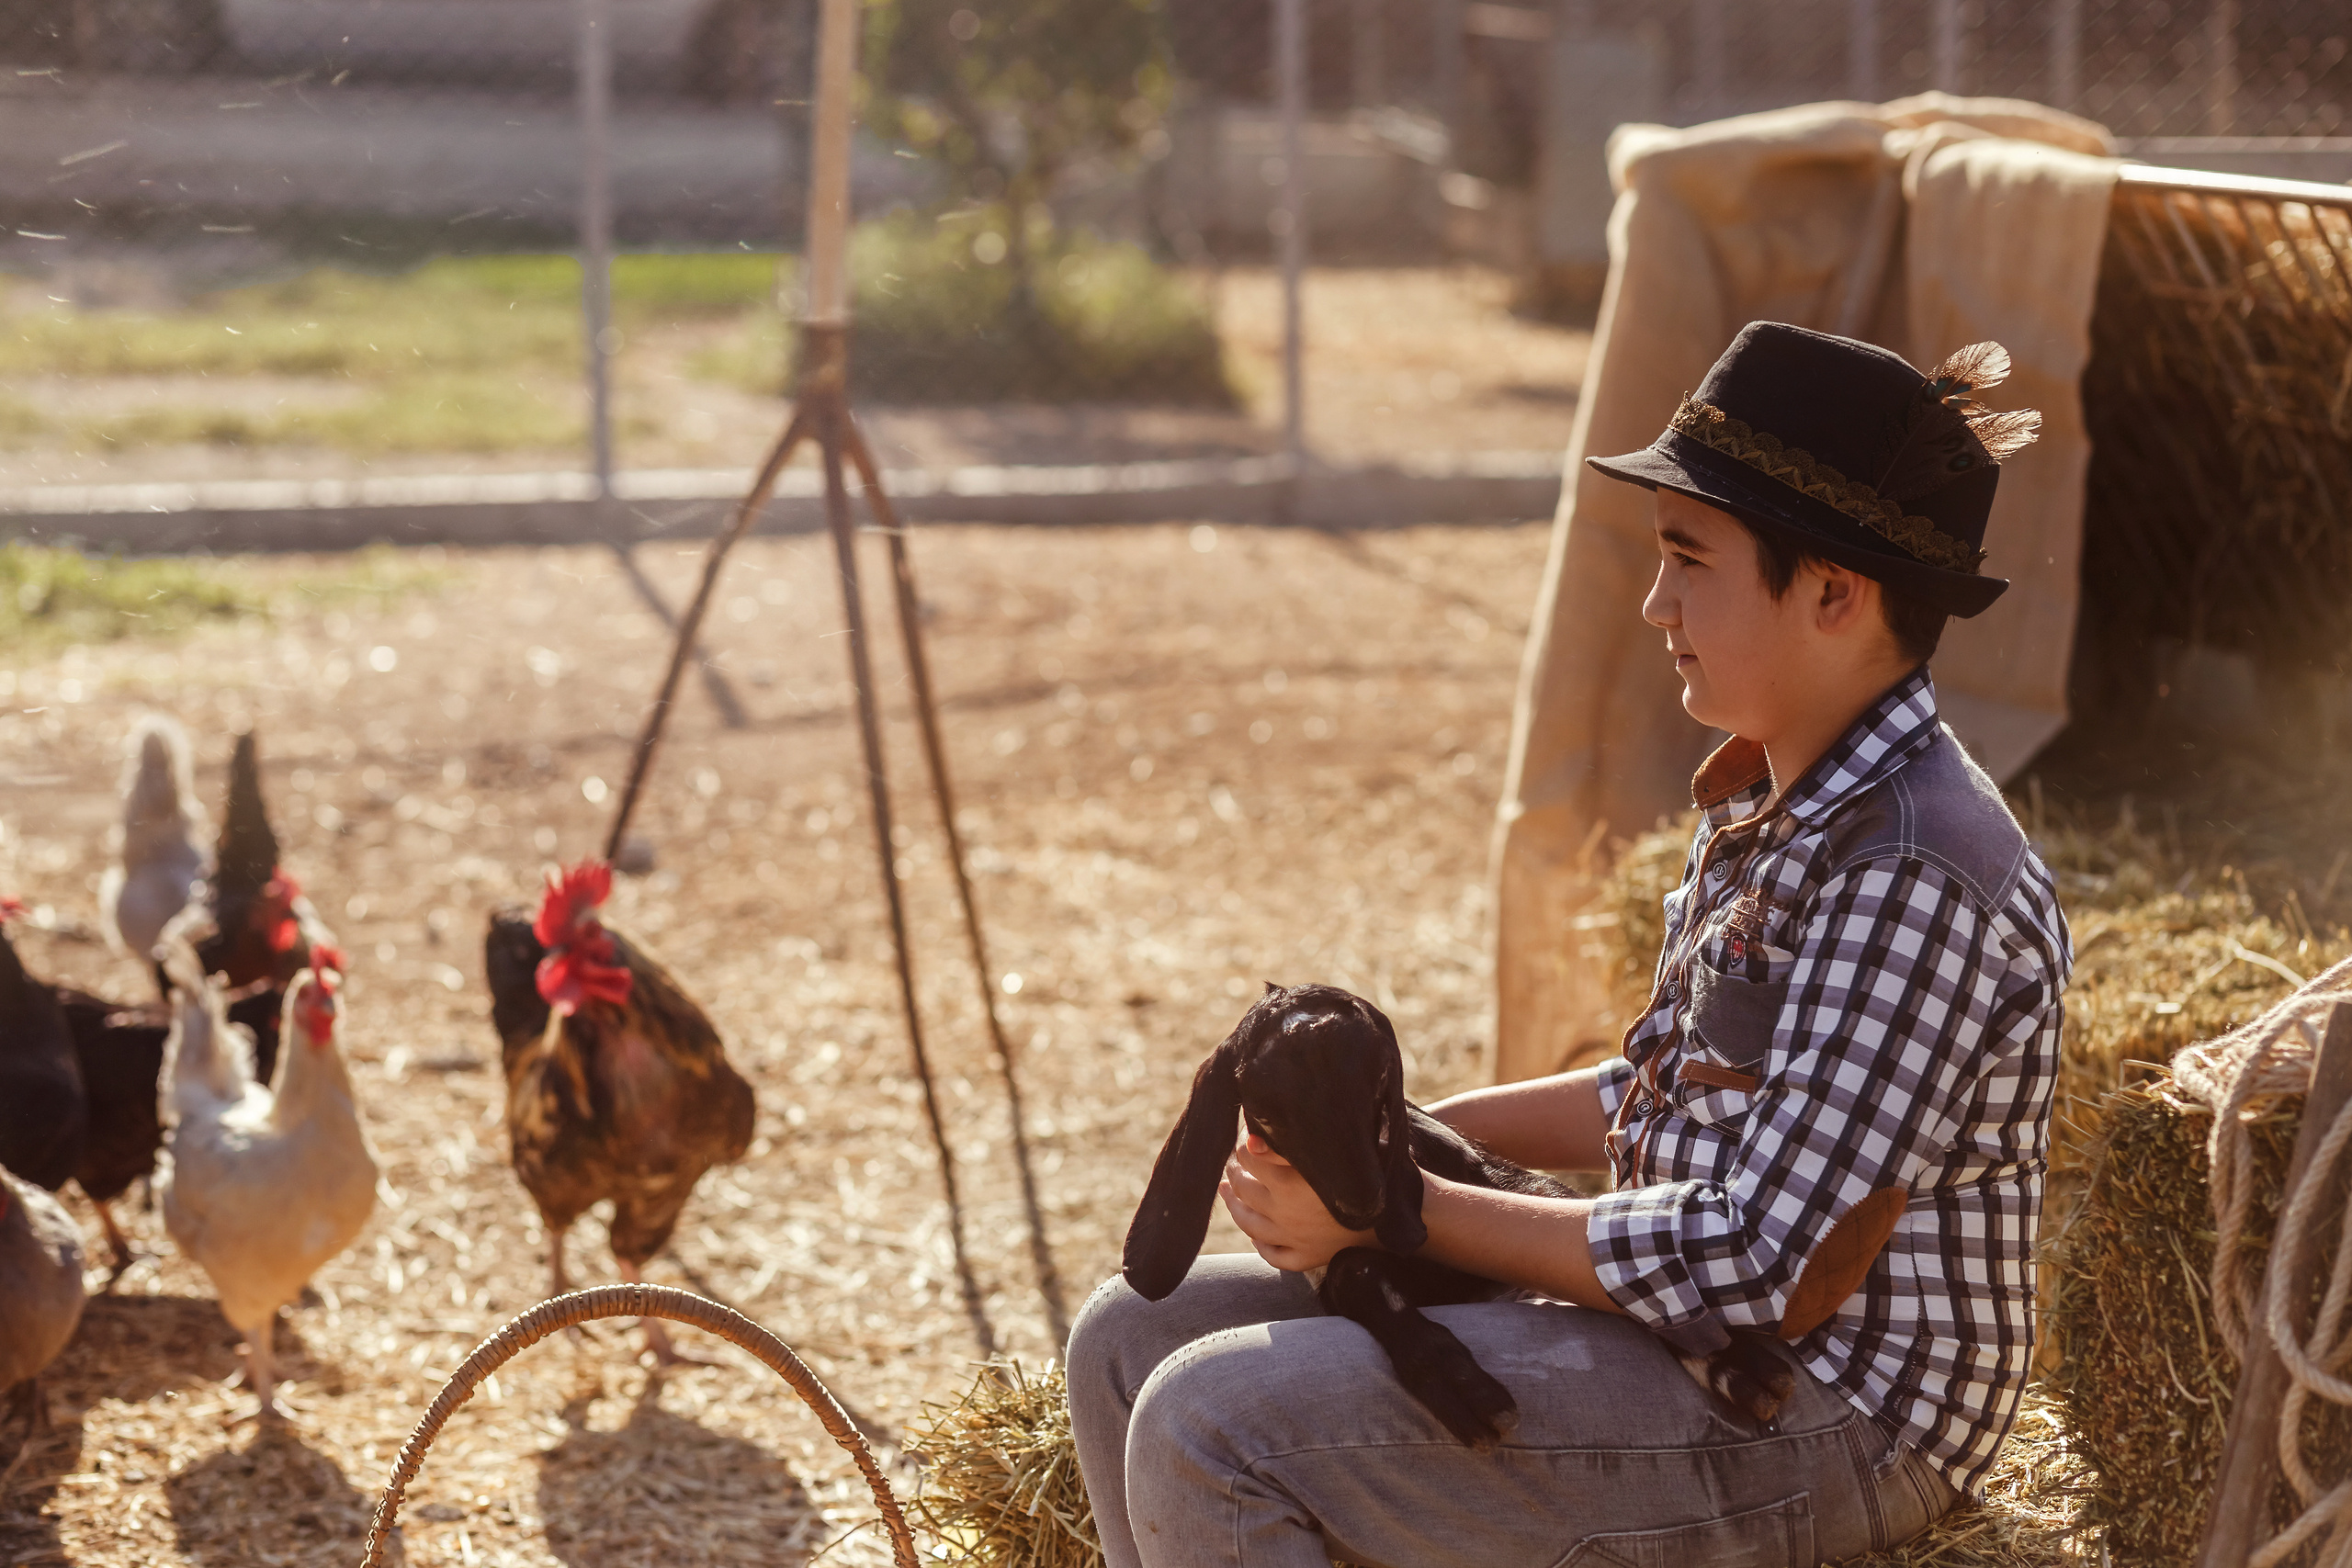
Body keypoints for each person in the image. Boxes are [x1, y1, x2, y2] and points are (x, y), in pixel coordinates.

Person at [1065, 321, 2074, 1568]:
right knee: (1125, 1339)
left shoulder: (1913, 868)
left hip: (1836, 1409)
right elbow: (1655, 1095)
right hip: (1708, 1343)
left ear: (1830, 591)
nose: (1655, 606)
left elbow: (1763, 1260)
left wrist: (1402, 1210)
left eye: (1688, 562)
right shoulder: (1776, 803)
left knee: (1214, 1421)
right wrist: (1413, 1132)